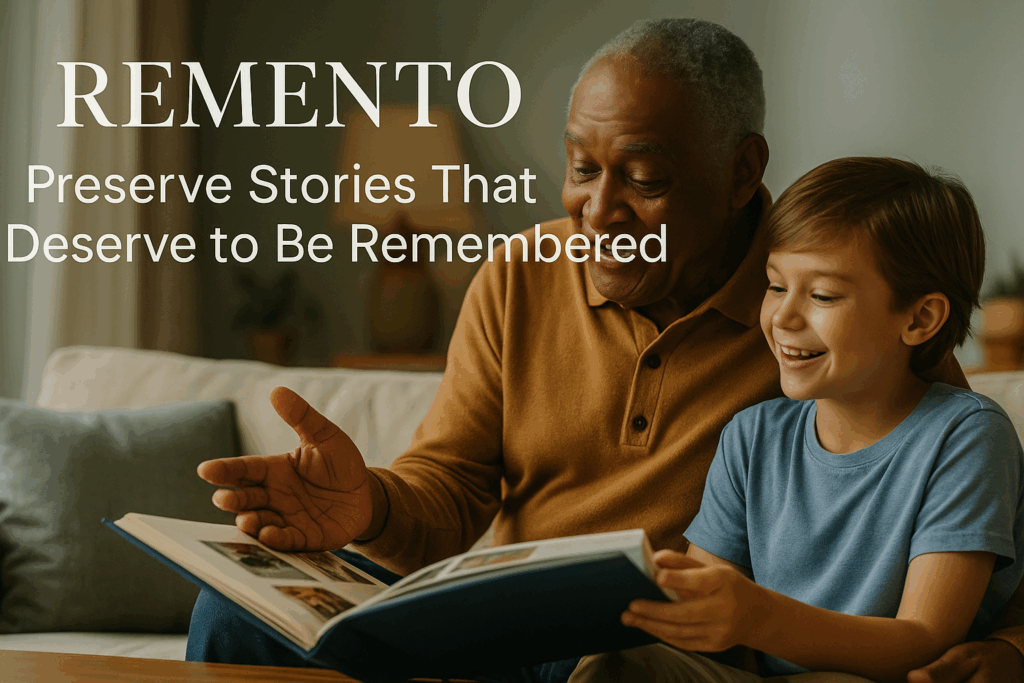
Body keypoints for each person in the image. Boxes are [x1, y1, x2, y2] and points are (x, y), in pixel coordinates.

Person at [187, 18, 1024, 682]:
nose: (598, 209)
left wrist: (1012, 645)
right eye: (581, 168)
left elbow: (959, 494)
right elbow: (450, 488)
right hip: (503, 622)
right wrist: (366, 506)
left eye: (645, 179)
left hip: (647, 643)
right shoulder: (519, 275)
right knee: (232, 613)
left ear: (741, 173)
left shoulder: (838, 301)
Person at [569, 157, 1024, 683]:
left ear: (920, 318)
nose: (783, 317)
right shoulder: (751, 437)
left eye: (823, 295)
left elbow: (925, 641)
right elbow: (704, 619)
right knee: (614, 663)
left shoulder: (966, 435)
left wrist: (758, 617)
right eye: (775, 285)